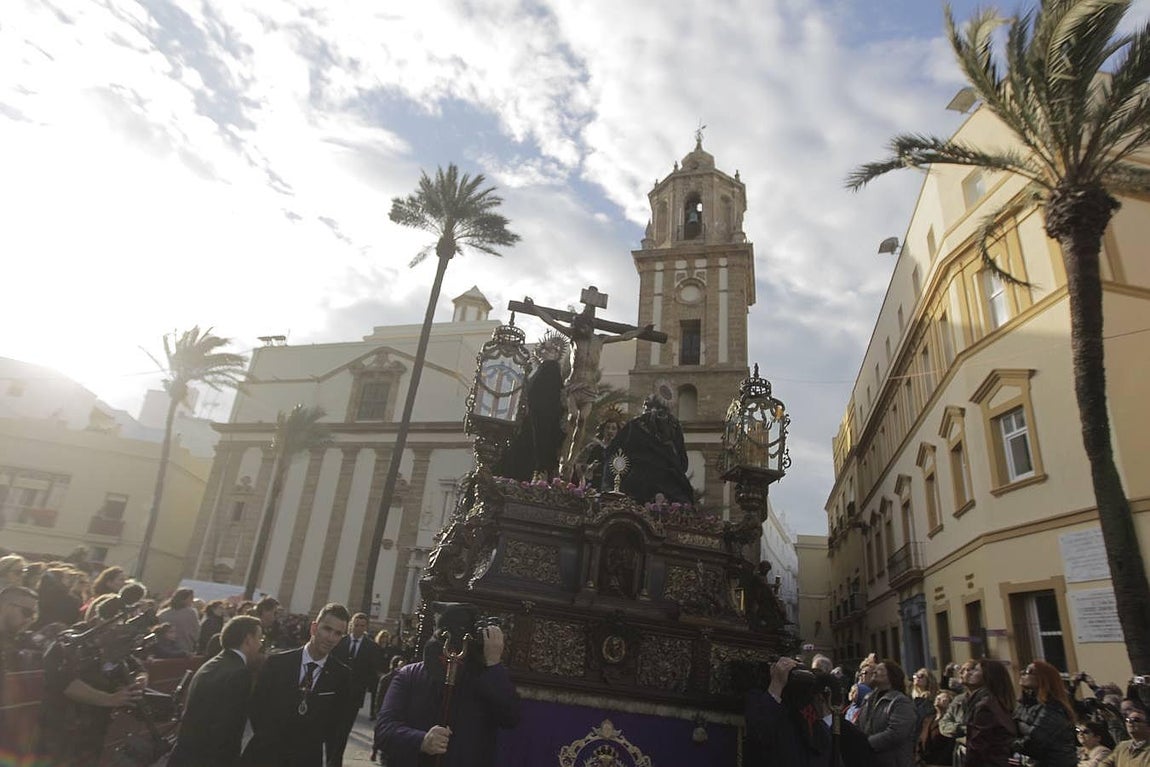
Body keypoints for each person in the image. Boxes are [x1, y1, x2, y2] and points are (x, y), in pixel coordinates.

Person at [376, 603, 520, 767]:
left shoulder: (484, 680)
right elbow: (384, 730)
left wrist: (494, 665)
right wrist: (421, 740)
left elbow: (511, 717)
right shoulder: (409, 675)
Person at [242, 602, 351, 766]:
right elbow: (257, 706)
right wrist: (270, 740)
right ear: (314, 628)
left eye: (338, 634)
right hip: (264, 755)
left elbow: (336, 725)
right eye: (327, 629)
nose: (331, 638)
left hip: (306, 759)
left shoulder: (342, 675)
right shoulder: (277, 663)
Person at [36, 608, 148, 765]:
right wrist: (110, 699)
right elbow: (65, 684)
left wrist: (139, 681)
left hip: (93, 727)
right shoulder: (69, 641)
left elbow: (137, 667)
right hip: (62, 725)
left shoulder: (113, 644)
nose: (118, 628)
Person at [168, 615, 263, 767]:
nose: (260, 645)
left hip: (185, 755)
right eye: (259, 638)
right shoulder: (239, 673)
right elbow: (229, 729)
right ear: (248, 639)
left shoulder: (211, 664)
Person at [331, 612, 383, 762]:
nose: (358, 628)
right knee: (332, 729)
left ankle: (336, 760)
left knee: (344, 730)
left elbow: (372, 670)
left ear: (366, 627)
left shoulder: (370, 646)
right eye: (356, 625)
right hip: (335, 693)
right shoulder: (341, 642)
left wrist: (364, 686)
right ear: (351, 625)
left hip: (354, 696)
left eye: (362, 626)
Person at [1014, 660, 1078, 767]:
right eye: (1023, 670)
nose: (1022, 673)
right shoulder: (1024, 703)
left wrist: (1005, 743)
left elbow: (1034, 743)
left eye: (1029, 671)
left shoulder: (1054, 707)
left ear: (1043, 678)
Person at [858, 659, 917, 767]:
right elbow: (859, 725)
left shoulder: (900, 701)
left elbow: (896, 733)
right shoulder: (868, 699)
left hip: (892, 761)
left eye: (880, 669)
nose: (875, 671)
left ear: (891, 676)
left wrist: (867, 743)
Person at [965, 658, 1019, 767]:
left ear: (988, 676)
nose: (969, 673)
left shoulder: (986, 705)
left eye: (976, 670)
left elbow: (978, 745)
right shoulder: (996, 701)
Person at [939, 660, 978, 767]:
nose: (961, 672)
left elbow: (981, 729)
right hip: (960, 754)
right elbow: (944, 724)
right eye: (962, 670)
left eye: (967, 670)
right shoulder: (958, 700)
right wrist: (963, 729)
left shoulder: (988, 699)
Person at [371, 656, 406, 762]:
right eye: (400, 665)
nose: (402, 667)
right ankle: (375, 751)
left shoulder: (405, 679)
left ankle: (384, 756)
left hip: (396, 712)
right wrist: (378, 711)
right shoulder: (386, 679)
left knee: (390, 735)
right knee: (379, 733)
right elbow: (379, 696)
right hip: (384, 710)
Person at [919, 690, 957, 767]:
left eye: (943, 698)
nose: (938, 699)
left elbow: (950, 746)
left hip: (942, 763)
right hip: (924, 762)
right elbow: (920, 739)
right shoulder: (928, 719)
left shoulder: (952, 722)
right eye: (938, 697)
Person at [157, 587, 199, 655]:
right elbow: (196, 632)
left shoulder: (162, 614)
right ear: (183, 599)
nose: (192, 601)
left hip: (166, 648)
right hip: (185, 647)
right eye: (191, 598)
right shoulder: (190, 612)